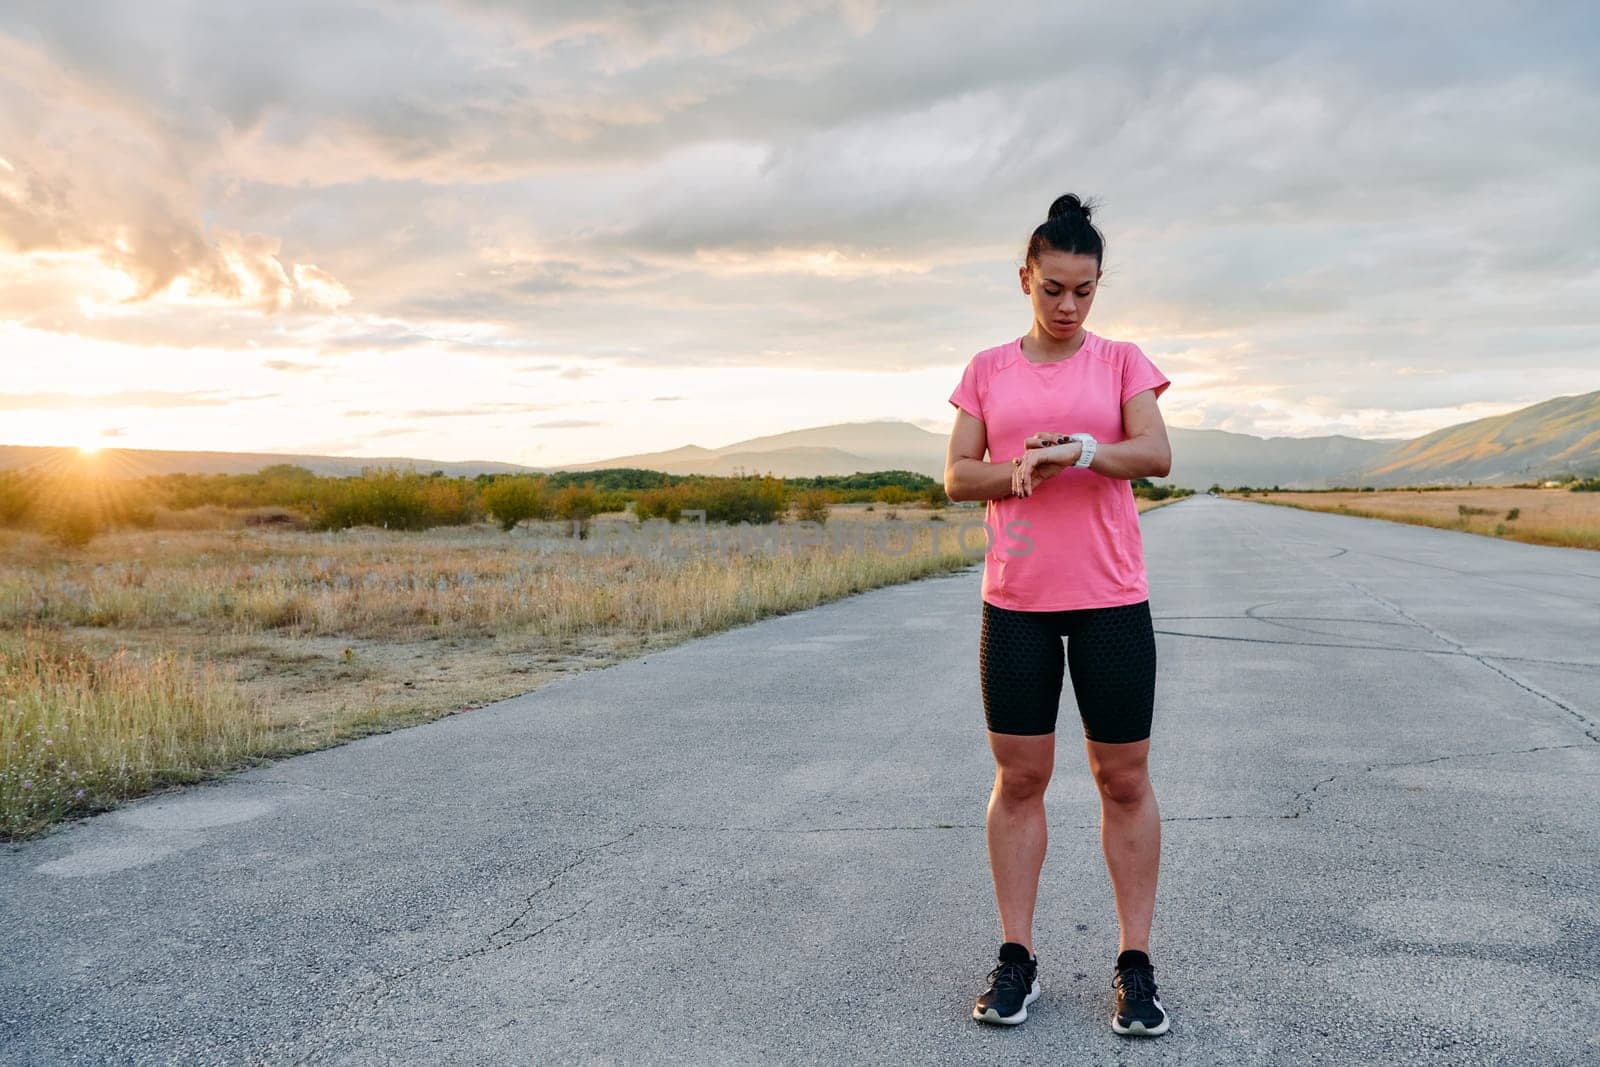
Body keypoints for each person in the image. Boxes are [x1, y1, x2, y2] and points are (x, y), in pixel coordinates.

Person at [943, 193, 1173, 1036]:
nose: (1068, 306)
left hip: (1111, 600)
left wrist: (1085, 452)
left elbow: (1156, 453)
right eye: (1052, 289)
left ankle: (1135, 964)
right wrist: (1017, 472)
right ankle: (1016, 957)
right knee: (1022, 779)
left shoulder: (1121, 363)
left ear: (1098, 285)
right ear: (1024, 280)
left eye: (1084, 290)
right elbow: (956, 474)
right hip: (1018, 605)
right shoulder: (988, 370)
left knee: (1124, 779)